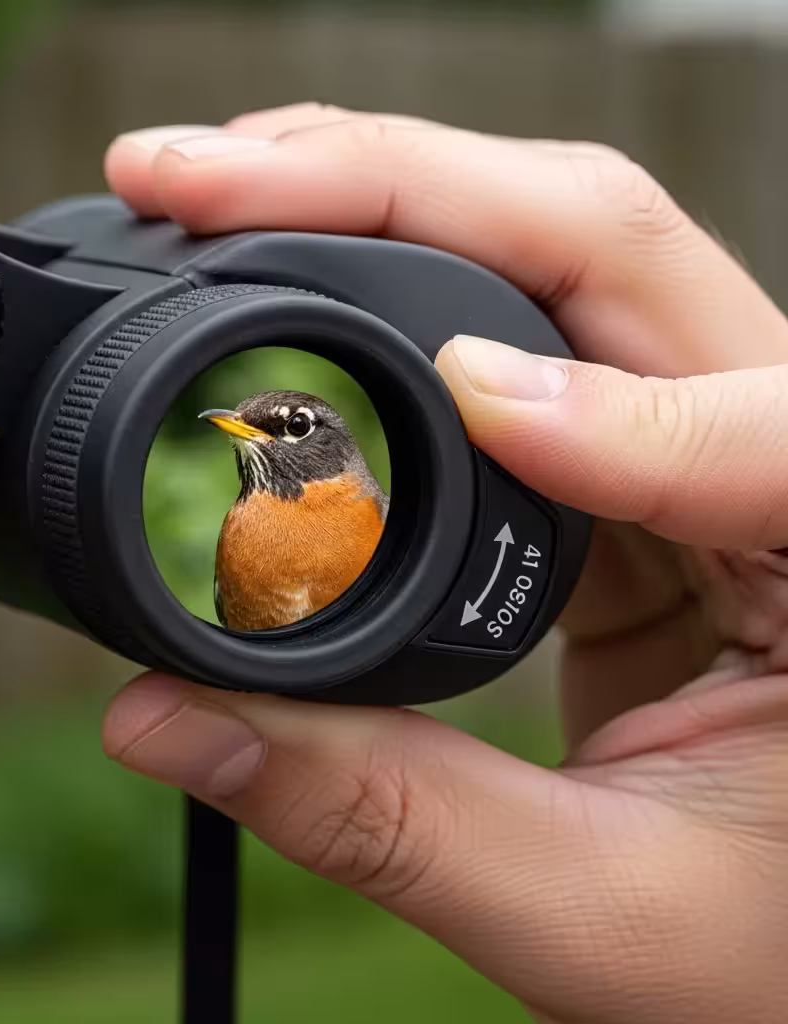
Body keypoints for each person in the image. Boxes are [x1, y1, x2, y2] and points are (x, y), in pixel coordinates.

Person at [100, 104, 788, 1023]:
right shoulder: (243, 526)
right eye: (249, 422)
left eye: (290, 425)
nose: (253, 432)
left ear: (333, 443)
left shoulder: (366, 513)